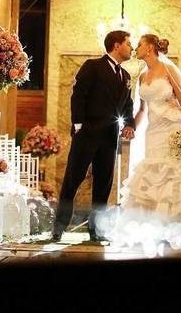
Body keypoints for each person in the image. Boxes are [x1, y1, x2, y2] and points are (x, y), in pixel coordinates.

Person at [112, 34, 181, 255]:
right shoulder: (142, 76)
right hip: (153, 131)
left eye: (139, 45)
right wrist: (131, 128)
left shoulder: (169, 69)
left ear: (150, 48)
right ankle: (152, 230)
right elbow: (142, 110)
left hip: (172, 127)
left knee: (174, 175)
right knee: (152, 177)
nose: (136, 48)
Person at [52, 30, 136, 242]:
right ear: (116, 45)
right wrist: (78, 125)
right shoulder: (92, 66)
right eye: (128, 44)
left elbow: (127, 105)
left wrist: (130, 124)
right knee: (72, 180)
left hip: (110, 137)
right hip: (87, 133)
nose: (132, 48)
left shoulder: (126, 76)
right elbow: (79, 94)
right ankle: (59, 226)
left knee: (103, 186)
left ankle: (96, 230)